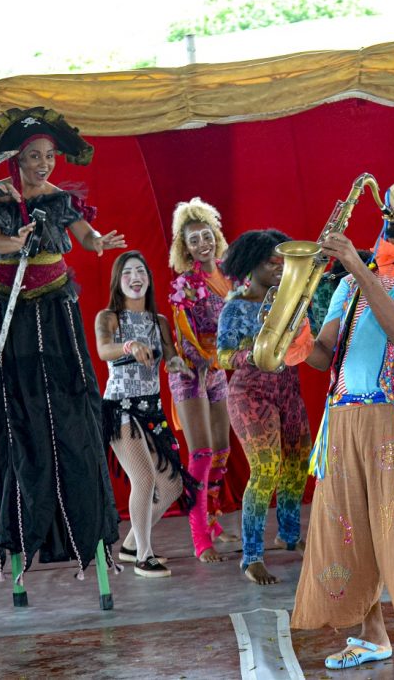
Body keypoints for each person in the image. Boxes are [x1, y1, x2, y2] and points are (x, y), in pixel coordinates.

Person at [292, 173, 394, 677]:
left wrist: (358, 269)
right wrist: (292, 335)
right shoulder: (349, 283)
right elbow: (324, 355)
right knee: (348, 531)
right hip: (344, 417)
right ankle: (371, 636)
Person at [0, 106, 126, 579]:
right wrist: (12, 244)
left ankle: (88, 532)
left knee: (70, 409)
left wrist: (97, 242)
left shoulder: (58, 197)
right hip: (8, 311)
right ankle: (18, 539)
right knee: (18, 412)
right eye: (35, 156)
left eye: (50, 156)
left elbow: (82, 233)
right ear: (17, 157)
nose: (44, 163)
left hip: (57, 310)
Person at [216, 229, 312, 585]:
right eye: (272, 262)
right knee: (266, 469)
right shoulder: (235, 306)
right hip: (250, 393)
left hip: (288, 388)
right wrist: (251, 353)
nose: (279, 267)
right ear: (250, 265)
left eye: (282, 261)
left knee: (298, 462)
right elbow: (222, 355)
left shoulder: (287, 301)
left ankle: (288, 534)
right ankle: (252, 557)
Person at [95, 251, 199, 577]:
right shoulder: (109, 318)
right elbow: (103, 350)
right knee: (144, 478)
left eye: (141, 271)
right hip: (120, 409)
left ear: (149, 279)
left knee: (172, 486)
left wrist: (180, 365)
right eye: (128, 273)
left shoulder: (159, 322)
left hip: (151, 409)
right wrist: (128, 347)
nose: (135, 277)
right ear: (118, 280)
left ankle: (130, 544)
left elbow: (169, 356)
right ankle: (143, 555)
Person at [166, 197, 237, 563]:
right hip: (192, 374)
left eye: (206, 236)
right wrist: (205, 360)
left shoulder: (230, 275)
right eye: (194, 240)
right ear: (185, 247)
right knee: (202, 452)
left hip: (218, 369)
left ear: (216, 235)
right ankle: (199, 538)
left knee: (222, 450)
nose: (202, 244)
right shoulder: (185, 284)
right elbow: (184, 333)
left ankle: (212, 519)